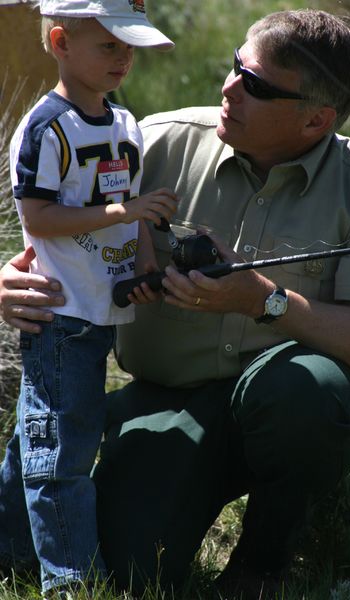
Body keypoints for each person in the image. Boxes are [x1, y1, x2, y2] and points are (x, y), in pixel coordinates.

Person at [1, 7, 350, 600]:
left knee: (308, 393)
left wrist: (264, 301)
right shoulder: (146, 140)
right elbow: (48, 228)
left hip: (280, 405)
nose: (229, 87)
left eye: (257, 85)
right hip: (166, 400)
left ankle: (263, 562)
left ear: (316, 119)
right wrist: (8, 282)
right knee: (133, 568)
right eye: (236, 66)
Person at [0, 0, 177, 597]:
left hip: (99, 309)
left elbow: (124, 213)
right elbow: (39, 215)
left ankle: (9, 549)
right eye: (109, 45)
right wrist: (125, 211)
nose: (124, 57)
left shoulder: (124, 124)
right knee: (64, 454)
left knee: (42, 435)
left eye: (130, 46)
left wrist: (144, 256)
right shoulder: (47, 128)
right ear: (59, 42)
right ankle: (71, 583)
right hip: (59, 311)